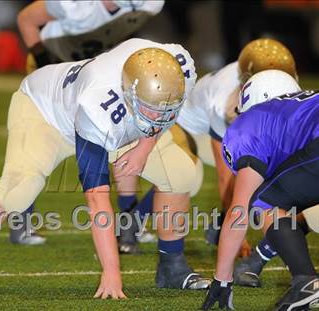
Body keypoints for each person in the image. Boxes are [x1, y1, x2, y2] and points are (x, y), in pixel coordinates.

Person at [0, 38, 210, 296]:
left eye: (165, 108)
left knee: (181, 173)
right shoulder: (97, 106)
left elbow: (165, 110)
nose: (160, 115)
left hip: (118, 123)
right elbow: (97, 200)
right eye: (152, 109)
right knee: (20, 188)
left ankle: (172, 265)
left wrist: (144, 148)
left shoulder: (177, 68)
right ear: (130, 94)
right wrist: (112, 272)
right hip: (46, 113)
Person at [117, 38, 298, 258]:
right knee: (185, 173)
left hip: (214, 124)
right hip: (186, 125)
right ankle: (132, 223)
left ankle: (220, 226)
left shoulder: (263, 78)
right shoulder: (224, 101)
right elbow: (226, 176)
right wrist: (238, 235)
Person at [12, 0, 164, 245]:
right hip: (55, 67)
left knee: (125, 135)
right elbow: (26, 20)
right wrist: (42, 59)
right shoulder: (74, 5)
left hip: (97, 68)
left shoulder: (150, 4)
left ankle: (127, 221)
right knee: (39, 147)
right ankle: (22, 220)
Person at [201, 70, 319, 311]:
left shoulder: (250, 124)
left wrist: (222, 277)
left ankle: (305, 282)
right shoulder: (301, 111)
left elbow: (239, 210)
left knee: (262, 202)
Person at [18, 0, 164, 73]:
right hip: (51, 57)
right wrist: (44, 66)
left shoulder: (150, 4)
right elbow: (26, 20)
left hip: (90, 62)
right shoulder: (77, 6)